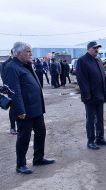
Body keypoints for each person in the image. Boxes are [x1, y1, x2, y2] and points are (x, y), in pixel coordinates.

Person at [4, 42, 55, 174]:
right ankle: (20, 165)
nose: (31, 54)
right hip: (25, 111)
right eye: (28, 51)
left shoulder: (26, 65)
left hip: (36, 109)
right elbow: (14, 91)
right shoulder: (12, 67)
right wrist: (20, 110)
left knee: (41, 133)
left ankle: (38, 158)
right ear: (18, 53)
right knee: (24, 138)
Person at [76, 41, 106, 150]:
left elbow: (103, 76)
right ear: (88, 49)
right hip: (90, 96)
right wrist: (86, 94)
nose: (96, 50)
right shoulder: (82, 60)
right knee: (91, 119)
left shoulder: (98, 60)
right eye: (94, 48)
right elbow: (82, 79)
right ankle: (90, 141)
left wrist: (104, 89)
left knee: (100, 118)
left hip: (100, 95)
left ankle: (100, 138)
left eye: (97, 48)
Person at [0, 49, 17, 135]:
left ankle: (21, 125)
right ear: (11, 53)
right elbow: (4, 78)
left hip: (20, 89)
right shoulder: (5, 64)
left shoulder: (21, 63)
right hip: (11, 89)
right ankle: (12, 127)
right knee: (13, 109)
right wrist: (8, 89)